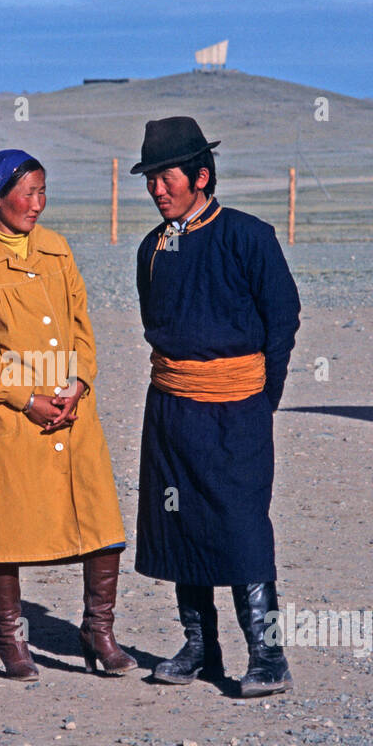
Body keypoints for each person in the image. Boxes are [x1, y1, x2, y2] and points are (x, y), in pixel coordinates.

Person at [0, 150, 135, 680]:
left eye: (43, 191)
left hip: (72, 410)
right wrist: (29, 397)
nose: (37, 203)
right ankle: (10, 638)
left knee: (99, 522)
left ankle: (99, 631)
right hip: (8, 415)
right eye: (27, 193)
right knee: (3, 529)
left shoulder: (57, 250)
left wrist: (79, 382)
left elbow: (81, 325)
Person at [131, 117, 301, 696]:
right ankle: (201, 647)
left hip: (238, 410)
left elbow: (282, 320)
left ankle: (268, 654)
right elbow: (157, 324)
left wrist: (261, 395)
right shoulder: (151, 249)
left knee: (243, 526)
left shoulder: (248, 237)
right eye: (150, 179)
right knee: (181, 522)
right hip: (172, 408)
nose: (157, 189)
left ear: (201, 176)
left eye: (166, 177)